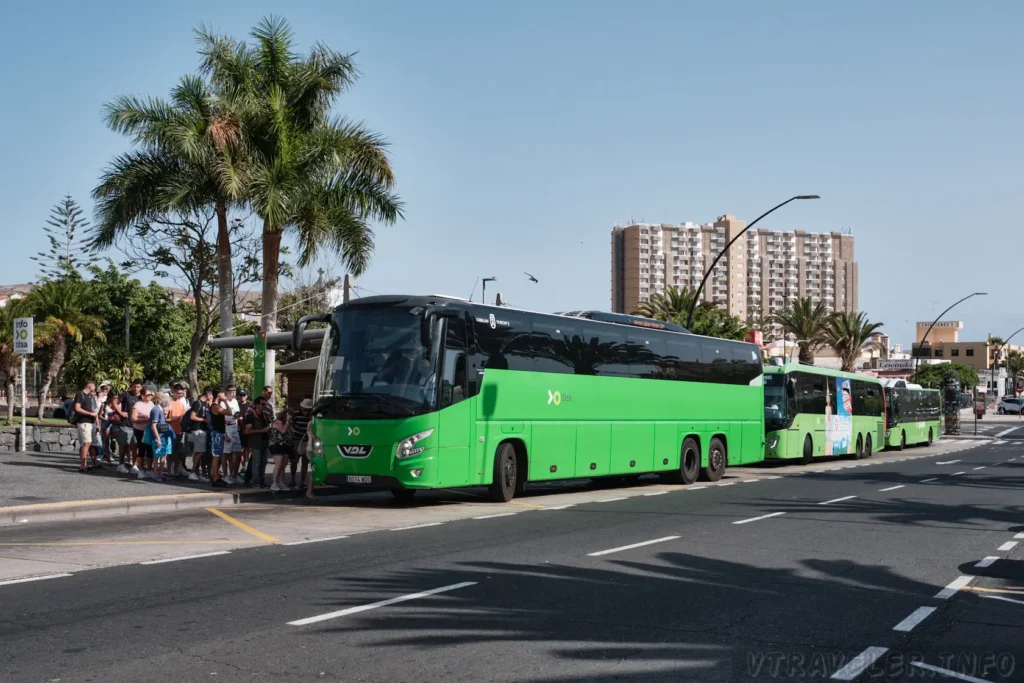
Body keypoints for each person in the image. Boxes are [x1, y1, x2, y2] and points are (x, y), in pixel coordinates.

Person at [115, 379, 143, 474]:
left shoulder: (142, 397)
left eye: (138, 387)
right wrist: (120, 412)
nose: (136, 389)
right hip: (126, 424)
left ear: (141, 387)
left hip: (137, 425)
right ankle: (121, 464)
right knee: (124, 445)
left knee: (135, 446)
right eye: (134, 386)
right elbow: (114, 402)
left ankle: (134, 465)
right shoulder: (126, 395)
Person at [243, 396, 271, 487]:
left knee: (264, 462)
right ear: (256, 405)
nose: (264, 406)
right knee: (257, 463)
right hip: (255, 442)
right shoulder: (251, 417)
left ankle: (261, 480)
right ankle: (255, 481)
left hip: (264, 442)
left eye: (265, 404)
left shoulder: (265, 416)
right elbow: (247, 430)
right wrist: (261, 431)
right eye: (262, 404)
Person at [146, 392, 174, 481]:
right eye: (168, 403)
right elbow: (153, 425)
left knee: (163, 455)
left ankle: (161, 474)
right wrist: (158, 439)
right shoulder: (156, 410)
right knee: (157, 456)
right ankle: (155, 474)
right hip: (158, 437)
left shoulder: (159, 409)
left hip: (162, 435)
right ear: (165, 402)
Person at [72, 380, 99, 474]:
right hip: (84, 422)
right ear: (89, 386)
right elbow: (77, 408)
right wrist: (90, 413)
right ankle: (83, 465)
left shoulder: (88, 396)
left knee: (86, 443)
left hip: (90, 422)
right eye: (94, 386)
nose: (95, 388)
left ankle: (85, 464)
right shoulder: (80, 394)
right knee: (87, 443)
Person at [188, 387, 213, 482]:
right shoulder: (197, 403)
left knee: (198, 451)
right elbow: (192, 417)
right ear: (208, 395)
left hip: (202, 430)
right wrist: (205, 420)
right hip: (198, 429)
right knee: (201, 451)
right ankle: (193, 471)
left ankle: (196, 472)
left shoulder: (205, 404)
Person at [288, 398, 313, 489]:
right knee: (294, 461)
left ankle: (302, 481)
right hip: (297, 440)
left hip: (307, 440)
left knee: (305, 462)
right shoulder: (296, 415)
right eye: (304, 409)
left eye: (308, 409)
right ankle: (292, 479)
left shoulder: (312, 416)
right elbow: (291, 424)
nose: (306, 411)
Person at [132, 387, 156, 479]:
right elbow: (134, 419)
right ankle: (141, 469)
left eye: (151, 395)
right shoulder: (137, 405)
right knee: (141, 449)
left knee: (150, 449)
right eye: (148, 395)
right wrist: (146, 419)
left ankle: (149, 469)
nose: (150, 396)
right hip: (140, 430)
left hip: (150, 430)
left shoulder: (151, 404)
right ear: (142, 396)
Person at [209, 387, 229, 488]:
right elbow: (229, 412)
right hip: (216, 433)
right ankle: (215, 478)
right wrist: (226, 402)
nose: (225, 396)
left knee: (218, 456)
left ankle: (217, 476)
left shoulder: (216, 406)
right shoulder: (215, 406)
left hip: (220, 432)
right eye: (224, 394)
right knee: (216, 456)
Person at [166, 383, 188, 478]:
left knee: (178, 452)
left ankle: (176, 470)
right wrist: (175, 418)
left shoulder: (181, 404)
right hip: (170, 431)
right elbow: (165, 419)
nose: (180, 395)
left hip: (180, 431)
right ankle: (169, 470)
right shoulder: (168, 403)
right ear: (173, 392)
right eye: (178, 393)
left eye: (181, 394)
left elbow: (183, 418)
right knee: (170, 452)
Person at [268, 409, 291, 492]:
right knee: (278, 464)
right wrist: (288, 422)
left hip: (284, 445)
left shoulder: (286, 423)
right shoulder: (278, 422)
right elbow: (283, 431)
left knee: (283, 464)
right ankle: (274, 483)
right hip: (276, 444)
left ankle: (281, 483)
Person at [236, 388, 251, 481]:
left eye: (244, 395)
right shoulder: (236, 404)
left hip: (247, 429)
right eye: (241, 395)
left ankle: (249, 466)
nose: (242, 397)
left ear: (246, 396)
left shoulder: (250, 405)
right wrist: (238, 419)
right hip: (239, 430)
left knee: (248, 449)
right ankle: (243, 466)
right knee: (241, 450)